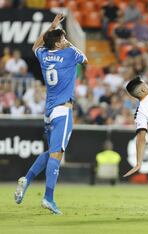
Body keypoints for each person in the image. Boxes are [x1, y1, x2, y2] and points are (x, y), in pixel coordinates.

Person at [14, 14, 87, 214]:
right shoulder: (69, 54)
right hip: (63, 110)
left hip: (49, 111)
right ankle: (48, 197)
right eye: (62, 38)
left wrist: (53, 26)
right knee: (57, 153)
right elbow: (85, 57)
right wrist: (65, 39)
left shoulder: (44, 55)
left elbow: (35, 46)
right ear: (57, 42)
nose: (65, 40)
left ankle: (27, 179)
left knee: (52, 151)